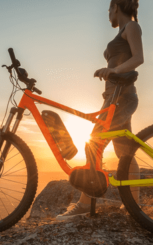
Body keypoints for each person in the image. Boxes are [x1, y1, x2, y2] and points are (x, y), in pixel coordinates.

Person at [56, 0, 143, 221]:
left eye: (108, 10)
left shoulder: (131, 27)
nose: (107, 15)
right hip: (114, 97)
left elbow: (138, 58)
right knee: (125, 151)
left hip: (121, 97)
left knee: (93, 142)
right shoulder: (123, 30)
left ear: (115, 7)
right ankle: (133, 205)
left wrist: (113, 70)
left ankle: (85, 203)